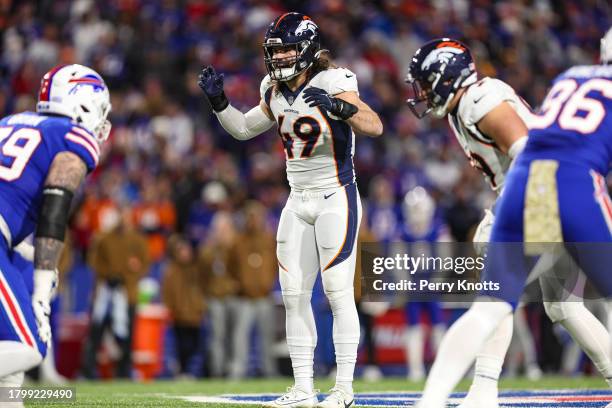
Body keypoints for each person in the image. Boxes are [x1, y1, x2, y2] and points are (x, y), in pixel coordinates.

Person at [415, 28, 612, 408]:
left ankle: (479, 389)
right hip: (562, 188)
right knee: (560, 305)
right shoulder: (469, 101)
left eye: (426, 82)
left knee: (496, 298)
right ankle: (477, 390)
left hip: (537, 191)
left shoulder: (560, 80)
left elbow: (528, 151)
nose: (422, 92)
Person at [198, 11, 383, 408]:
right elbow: (245, 128)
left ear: (308, 49)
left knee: (336, 293)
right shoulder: (272, 89)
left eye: (285, 51)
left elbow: (374, 125)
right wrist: (219, 103)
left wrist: (340, 107)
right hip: (297, 199)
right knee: (294, 294)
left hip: (336, 195)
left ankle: (344, 389)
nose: (278, 59)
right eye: (274, 52)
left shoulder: (335, 80)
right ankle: (303, 389)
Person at [0, 64, 111, 391]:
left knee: (13, 355)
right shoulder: (73, 136)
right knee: (29, 348)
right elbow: (55, 205)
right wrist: (43, 278)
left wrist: (20, 249)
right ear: (84, 103)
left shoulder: (9, 122)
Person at [83, 207, 150, 378]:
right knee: (97, 332)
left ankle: (124, 370)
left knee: (126, 335)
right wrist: (108, 275)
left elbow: (143, 265)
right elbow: (95, 261)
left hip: (127, 293)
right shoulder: (105, 238)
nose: (124, 220)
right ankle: (88, 369)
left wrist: (127, 277)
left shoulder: (138, 240)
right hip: (105, 291)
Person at [227, 201, 278, 379]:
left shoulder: (269, 241)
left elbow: (275, 265)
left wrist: (268, 282)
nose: (253, 221)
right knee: (240, 336)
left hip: (264, 296)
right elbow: (230, 266)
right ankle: (238, 370)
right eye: (250, 217)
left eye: (257, 217)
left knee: (266, 336)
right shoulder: (238, 242)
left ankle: (268, 370)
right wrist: (240, 284)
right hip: (244, 298)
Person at [162, 235, 206, 377]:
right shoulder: (171, 270)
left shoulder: (196, 269)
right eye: (181, 251)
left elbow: (202, 289)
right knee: (181, 345)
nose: (185, 254)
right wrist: (170, 308)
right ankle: (182, 370)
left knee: (195, 344)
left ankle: (189, 370)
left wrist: (200, 307)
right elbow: (167, 292)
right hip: (179, 314)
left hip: (194, 314)